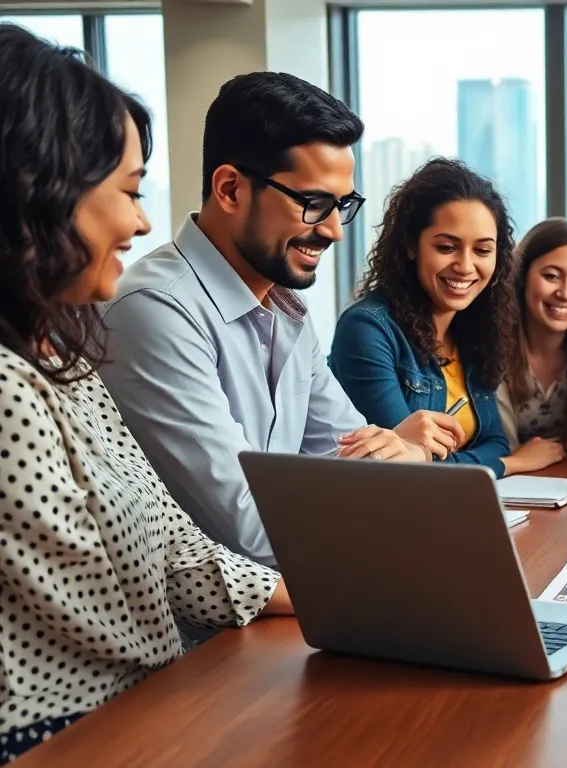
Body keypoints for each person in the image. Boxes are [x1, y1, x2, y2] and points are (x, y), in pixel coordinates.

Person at [0, 26, 291, 762]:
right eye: (128, 192)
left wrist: (349, 601)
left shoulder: (60, 351)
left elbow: (172, 544)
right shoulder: (8, 387)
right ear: (40, 189)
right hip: (71, 737)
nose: (141, 221)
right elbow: (102, 612)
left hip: (154, 707)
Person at [99, 72, 426, 569]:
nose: (335, 231)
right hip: (206, 635)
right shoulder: (156, 309)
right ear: (230, 189)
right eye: (315, 204)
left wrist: (396, 465)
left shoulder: (286, 304)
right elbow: (250, 529)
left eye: (343, 206)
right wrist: (378, 485)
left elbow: (353, 461)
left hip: (296, 605)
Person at [330, 158, 521, 477]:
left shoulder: (474, 330)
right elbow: (400, 463)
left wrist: (434, 458)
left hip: (458, 504)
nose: (465, 265)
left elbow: (495, 442)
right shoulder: (367, 328)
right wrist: (512, 464)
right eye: (447, 247)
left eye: (482, 250)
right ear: (410, 245)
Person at [498, 217, 567, 461]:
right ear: (522, 275)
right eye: (552, 276)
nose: (566, 293)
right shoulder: (491, 345)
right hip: (507, 480)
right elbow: (498, 445)